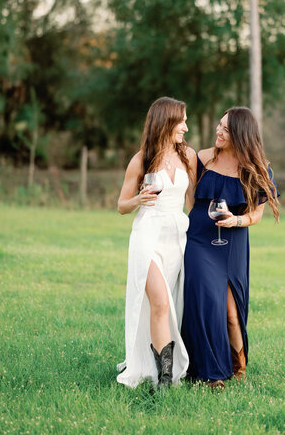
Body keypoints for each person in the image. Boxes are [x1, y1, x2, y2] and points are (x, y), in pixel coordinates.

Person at [181, 106, 280, 388]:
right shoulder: (201, 158)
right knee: (206, 304)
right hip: (199, 239)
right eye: (219, 125)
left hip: (233, 241)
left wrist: (236, 220)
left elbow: (257, 215)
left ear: (239, 134)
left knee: (231, 312)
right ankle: (212, 372)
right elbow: (190, 201)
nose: (218, 131)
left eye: (225, 128)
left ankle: (239, 365)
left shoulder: (256, 168)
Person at [116, 97, 196, 389]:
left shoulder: (188, 156)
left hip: (177, 237)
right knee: (160, 302)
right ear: (166, 121)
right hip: (148, 235)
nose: (186, 127)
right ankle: (164, 382)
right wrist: (138, 199)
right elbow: (122, 206)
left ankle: (159, 368)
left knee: (171, 305)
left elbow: (194, 202)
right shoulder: (142, 159)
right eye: (182, 121)